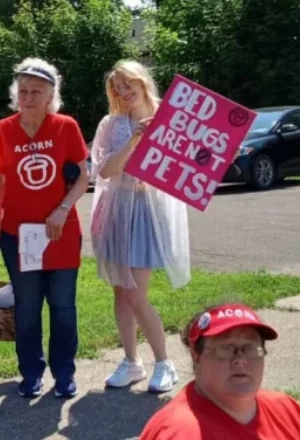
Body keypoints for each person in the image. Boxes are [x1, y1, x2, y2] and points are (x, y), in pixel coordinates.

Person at [0, 58, 90, 399]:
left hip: (59, 232)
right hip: (19, 234)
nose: (28, 97)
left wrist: (62, 210)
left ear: (50, 96)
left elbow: (83, 176)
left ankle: (64, 374)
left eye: (37, 91)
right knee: (28, 308)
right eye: (23, 91)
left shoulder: (65, 127)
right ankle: (30, 373)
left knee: (62, 306)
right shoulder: (4, 129)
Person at [90, 60, 191, 394]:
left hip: (146, 213)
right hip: (117, 212)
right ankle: (132, 362)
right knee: (121, 291)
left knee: (136, 294)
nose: (123, 91)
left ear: (141, 80)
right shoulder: (112, 124)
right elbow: (104, 171)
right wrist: (132, 140)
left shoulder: (170, 116)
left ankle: (164, 363)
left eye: (127, 83)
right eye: (117, 87)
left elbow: (188, 165)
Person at [139, 303, 300, 439]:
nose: (240, 360)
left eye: (249, 348)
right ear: (196, 356)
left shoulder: (285, 409)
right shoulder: (179, 431)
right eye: (226, 349)